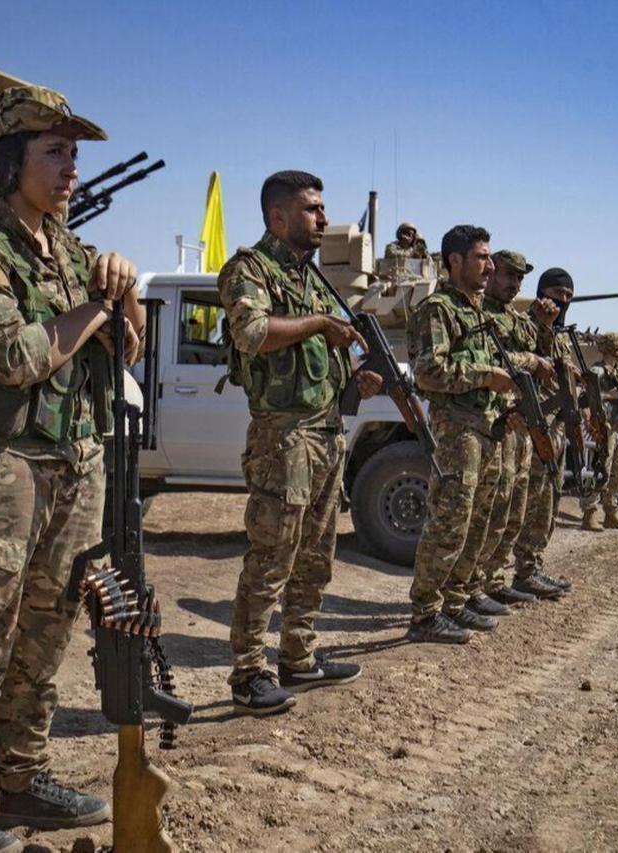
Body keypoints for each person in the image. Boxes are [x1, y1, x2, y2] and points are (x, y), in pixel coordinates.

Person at [0, 85, 144, 852]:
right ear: (12, 162)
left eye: (75, 154)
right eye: (56, 152)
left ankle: (22, 778)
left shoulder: (73, 250)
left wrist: (124, 293)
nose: (72, 168)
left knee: (46, 633)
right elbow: (14, 358)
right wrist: (96, 311)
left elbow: (128, 351)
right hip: (5, 464)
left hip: (78, 462)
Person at [218, 170, 382, 716]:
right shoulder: (250, 270)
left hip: (325, 433)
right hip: (282, 438)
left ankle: (299, 655)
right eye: (312, 209)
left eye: (322, 208)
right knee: (272, 557)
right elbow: (253, 334)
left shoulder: (313, 281)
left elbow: (314, 360)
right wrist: (319, 325)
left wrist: (353, 382)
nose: (322, 219)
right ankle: (248, 675)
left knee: (316, 556)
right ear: (278, 217)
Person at [406, 225, 535, 644]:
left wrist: (518, 376)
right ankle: (425, 613)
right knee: (450, 521)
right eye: (482, 257)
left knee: (480, 519)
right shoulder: (437, 309)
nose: (491, 265)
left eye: (489, 257)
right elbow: (428, 371)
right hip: (457, 429)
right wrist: (488, 377)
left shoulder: (477, 312)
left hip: (489, 427)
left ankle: (456, 600)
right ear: (455, 261)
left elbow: (499, 358)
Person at [465, 250, 556, 612]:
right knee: (485, 510)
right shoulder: (480, 314)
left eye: (519, 278)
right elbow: (495, 360)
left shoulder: (514, 318)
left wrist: (544, 328)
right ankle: (470, 587)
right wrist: (530, 360)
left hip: (518, 421)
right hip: (490, 420)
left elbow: (541, 355)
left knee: (510, 508)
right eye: (508, 275)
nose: (514, 283)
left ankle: (492, 580)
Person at [511, 267, 578, 594]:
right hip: (534, 427)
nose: (562, 301)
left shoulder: (561, 332)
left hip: (557, 428)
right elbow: (524, 361)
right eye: (556, 294)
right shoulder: (529, 324)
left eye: (568, 296)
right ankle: (522, 570)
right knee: (532, 501)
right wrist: (542, 326)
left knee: (549, 501)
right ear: (542, 293)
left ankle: (532, 566)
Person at [579, 331, 618, 531]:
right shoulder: (598, 371)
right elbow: (585, 396)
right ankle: (589, 514)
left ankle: (611, 513)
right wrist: (609, 396)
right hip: (604, 426)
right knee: (600, 470)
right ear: (613, 349)